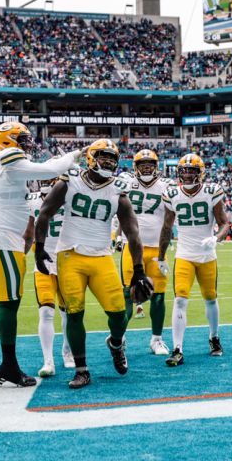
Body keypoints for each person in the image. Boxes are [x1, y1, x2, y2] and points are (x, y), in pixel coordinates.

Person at [0, 122, 81, 387]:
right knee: (9, 302)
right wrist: (71, 156)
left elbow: (44, 173)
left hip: (4, 238)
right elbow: (50, 169)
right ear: (7, 141)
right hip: (0, 238)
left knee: (5, 300)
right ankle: (8, 365)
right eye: (21, 139)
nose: (27, 144)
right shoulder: (6, 156)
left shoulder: (5, 163)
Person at [35, 140, 151, 389]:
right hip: (70, 254)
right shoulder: (71, 179)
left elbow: (132, 231)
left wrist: (139, 270)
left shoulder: (118, 188)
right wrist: (39, 249)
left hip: (101, 256)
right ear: (90, 158)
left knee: (119, 313)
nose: (108, 161)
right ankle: (81, 369)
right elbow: (44, 212)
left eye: (112, 158)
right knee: (75, 313)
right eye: (103, 156)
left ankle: (116, 343)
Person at [158, 153, 231, 367]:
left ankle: (214, 337)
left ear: (201, 173)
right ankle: (177, 348)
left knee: (210, 298)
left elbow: (224, 223)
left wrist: (216, 238)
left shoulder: (211, 191)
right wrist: (161, 257)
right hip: (184, 255)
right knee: (180, 299)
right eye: (184, 171)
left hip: (207, 254)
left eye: (192, 171)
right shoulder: (172, 194)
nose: (188, 175)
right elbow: (166, 227)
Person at [121, 149, 173, 356]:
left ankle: (157, 339)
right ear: (135, 167)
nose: (146, 168)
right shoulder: (124, 183)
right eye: (142, 165)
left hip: (156, 250)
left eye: (150, 165)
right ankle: (120, 337)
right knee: (127, 295)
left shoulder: (167, 187)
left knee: (158, 297)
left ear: (156, 166)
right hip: (132, 248)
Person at [28, 178, 72, 376]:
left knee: (69, 313)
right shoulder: (32, 200)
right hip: (43, 262)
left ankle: (67, 352)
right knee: (46, 311)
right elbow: (29, 232)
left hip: (67, 261)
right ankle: (48, 361)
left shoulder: (71, 197)